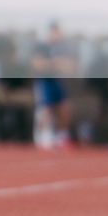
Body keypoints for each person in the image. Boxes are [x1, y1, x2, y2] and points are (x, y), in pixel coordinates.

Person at [29, 20, 77, 150]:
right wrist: (54, 63)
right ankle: (43, 135)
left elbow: (70, 66)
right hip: (44, 81)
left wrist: (57, 64)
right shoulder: (41, 46)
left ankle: (62, 136)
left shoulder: (63, 47)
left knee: (64, 108)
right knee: (45, 109)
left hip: (58, 81)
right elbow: (37, 64)